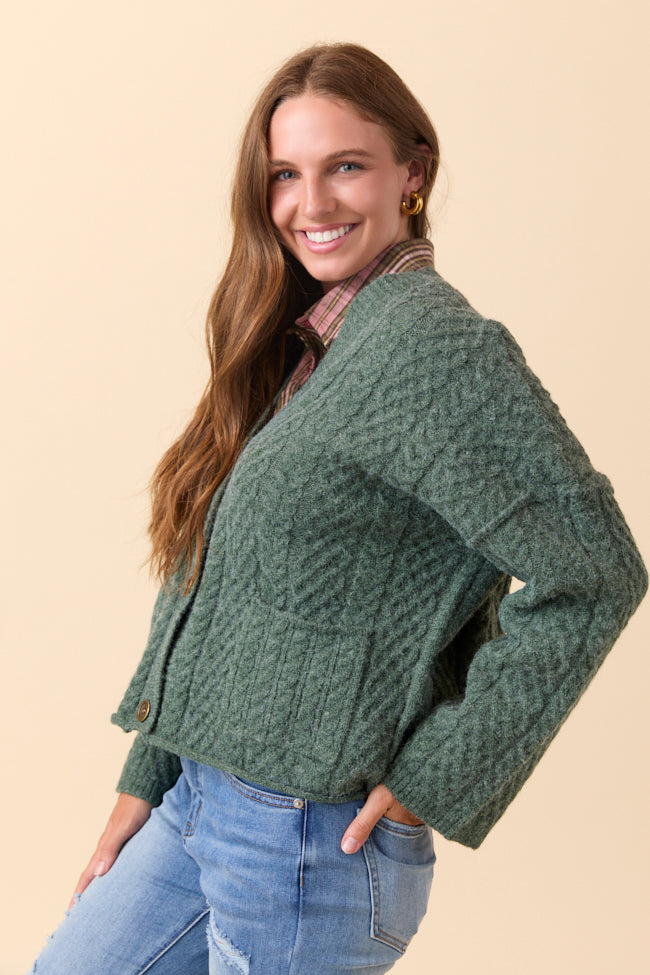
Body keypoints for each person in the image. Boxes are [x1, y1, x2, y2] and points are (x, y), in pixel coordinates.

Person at [28, 42, 647, 975]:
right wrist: (148, 775)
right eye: (285, 174)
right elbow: (215, 578)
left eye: (345, 166)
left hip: (305, 844)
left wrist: (434, 779)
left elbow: (594, 571)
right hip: (200, 801)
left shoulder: (430, 346)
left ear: (412, 174)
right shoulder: (314, 339)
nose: (310, 204)